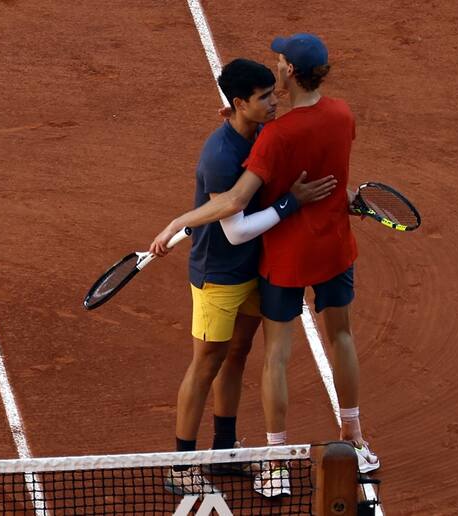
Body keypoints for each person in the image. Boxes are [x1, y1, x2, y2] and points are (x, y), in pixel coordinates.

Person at [151, 34, 380, 498]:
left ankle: (265, 459)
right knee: (332, 338)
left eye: (278, 70)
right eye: (262, 98)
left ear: (289, 71)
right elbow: (324, 173)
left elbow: (238, 202)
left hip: (279, 259)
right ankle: (354, 439)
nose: (272, 97)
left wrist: (179, 220)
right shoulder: (341, 114)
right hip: (313, 252)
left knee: (260, 355)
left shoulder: (271, 133)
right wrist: (338, 198)